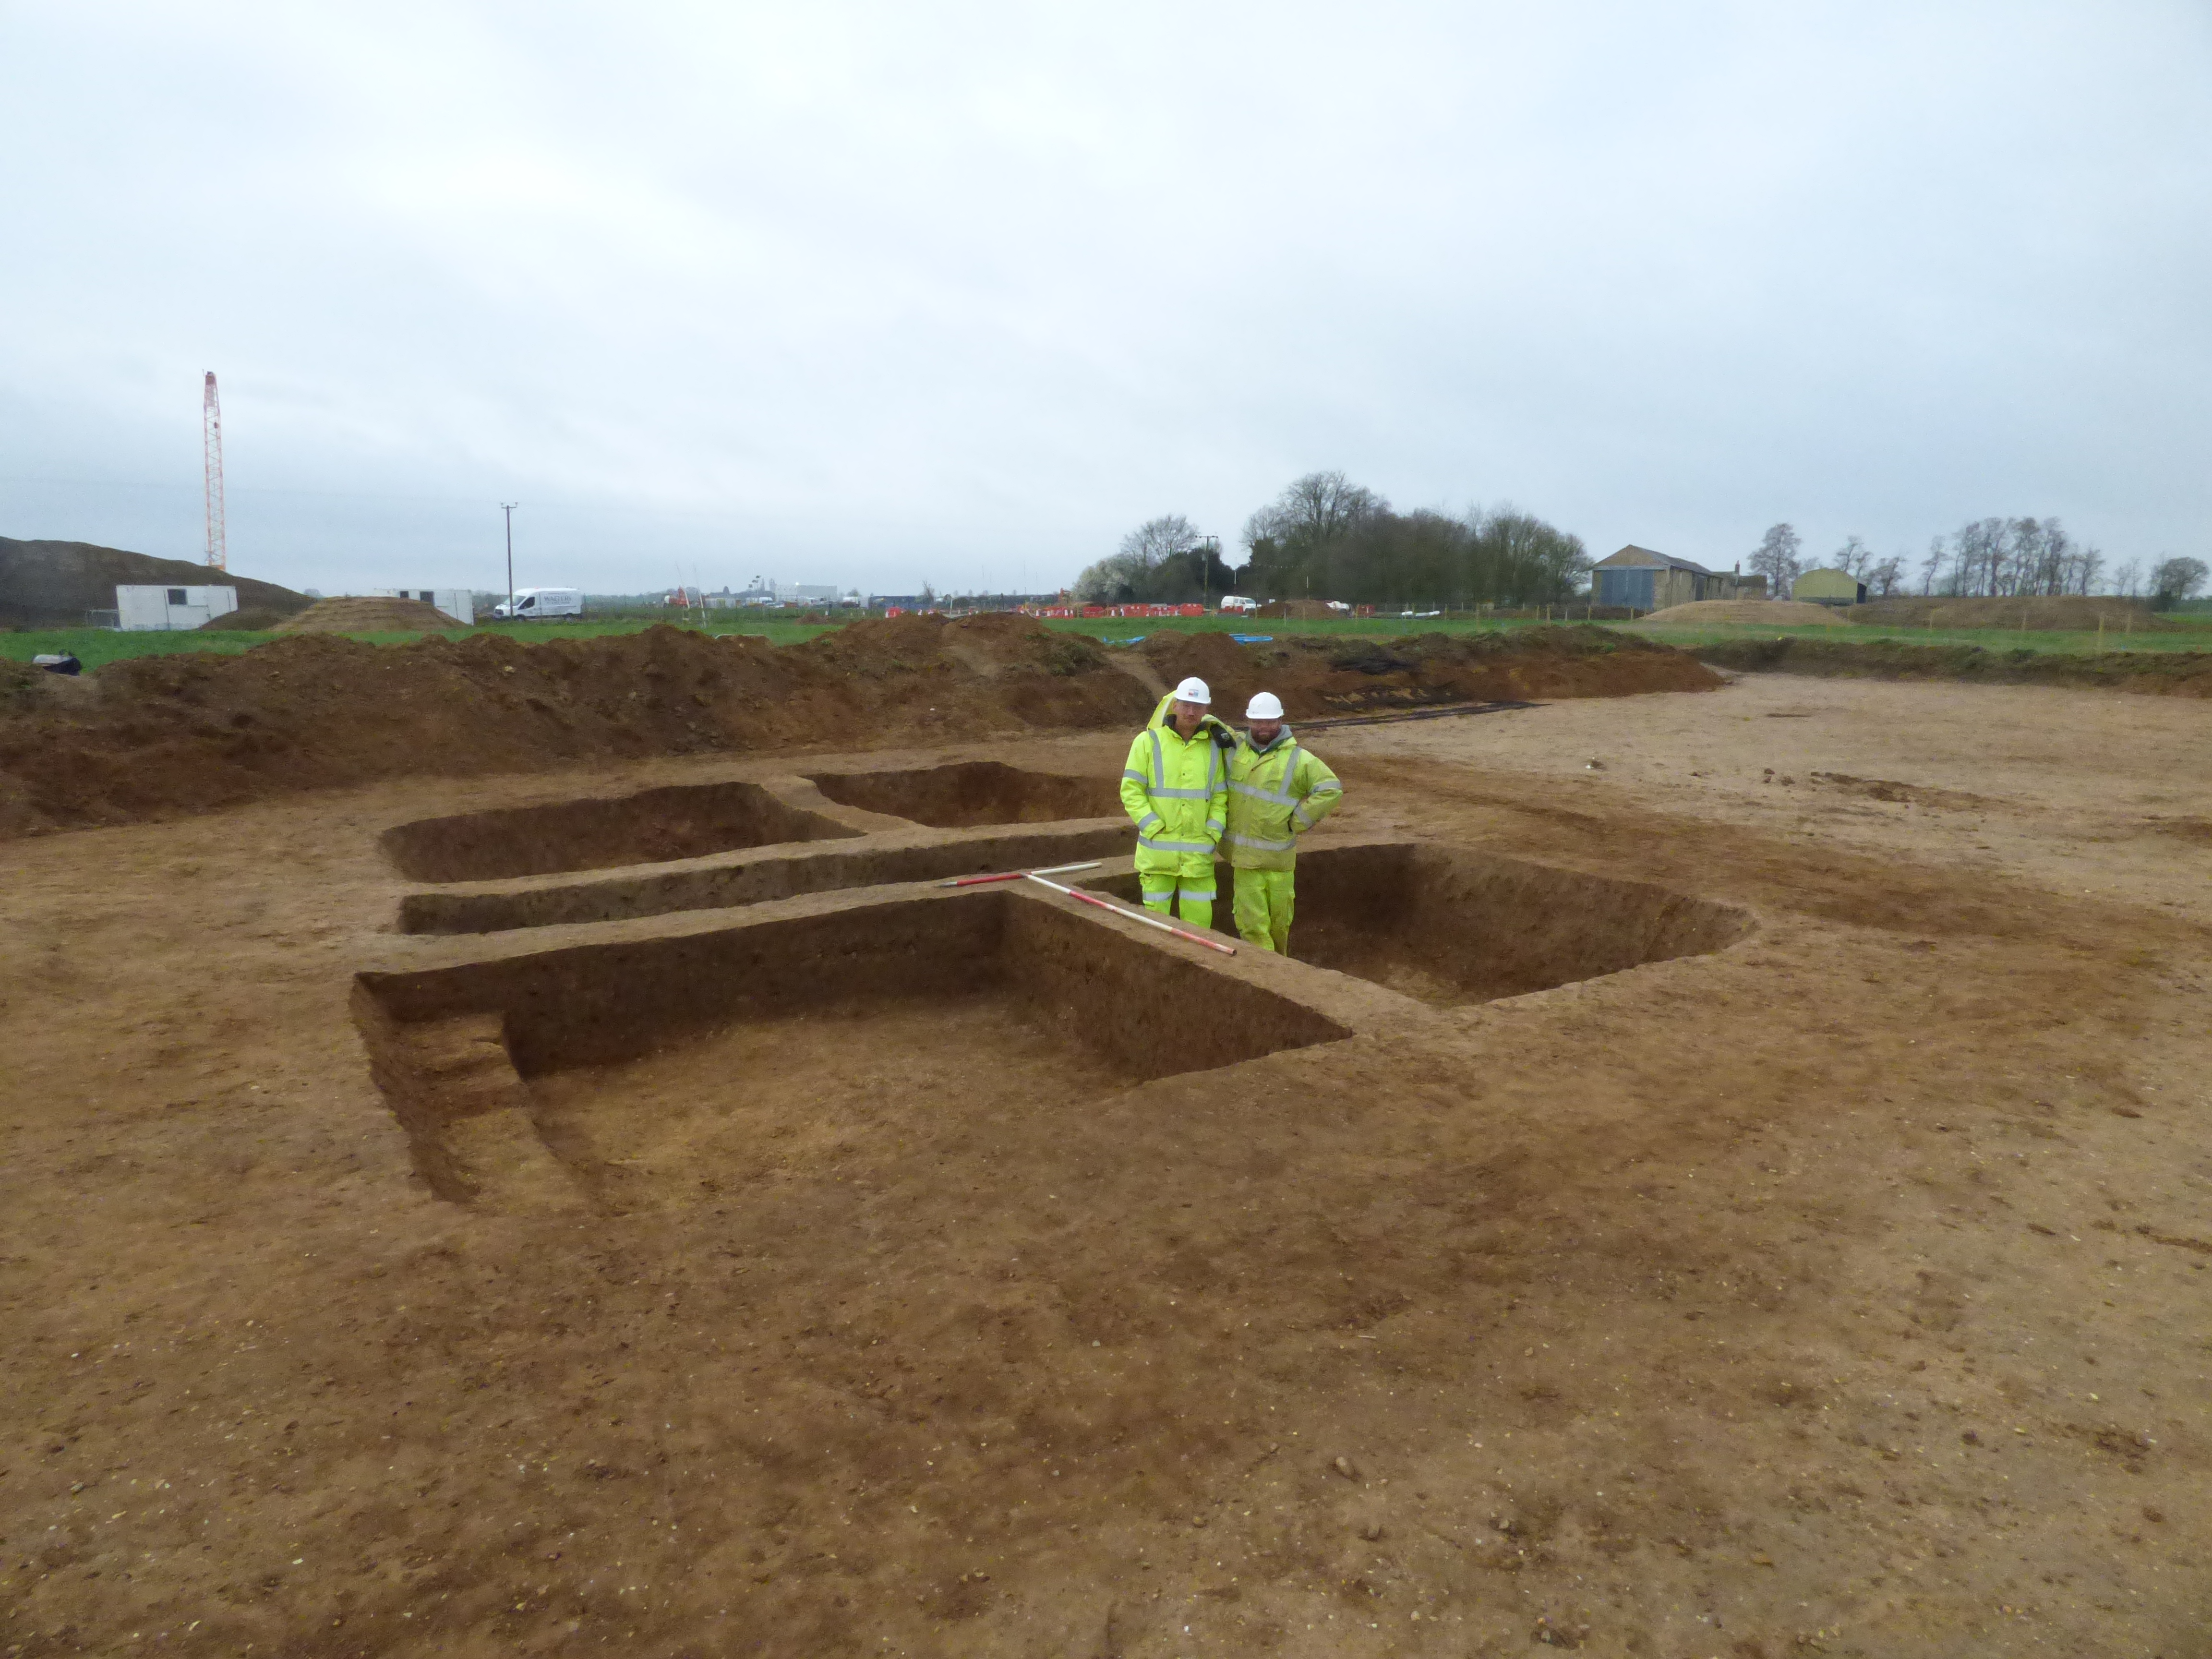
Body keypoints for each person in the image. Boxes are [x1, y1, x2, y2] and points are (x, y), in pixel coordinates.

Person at [1224, 691, 1342, 953]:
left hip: (1279, 861)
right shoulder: (1236, 750)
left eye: (1270, 721)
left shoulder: (1298, 759)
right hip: (1245, 861)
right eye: (1258, 721)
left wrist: (1299, 821)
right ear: (1249, 722)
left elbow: (1331, 788)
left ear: (1281, 721)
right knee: (1252, 926)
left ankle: (1279, 977)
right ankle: (1263, 974)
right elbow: (1201, 716)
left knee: (1279, 925)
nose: (1264, 727)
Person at [1119, 676, 1235, 930]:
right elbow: (1131, 790)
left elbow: (1220, 796)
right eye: (1186, 705)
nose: (1191, 712)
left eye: (1197, 707)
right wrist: (1153, 827)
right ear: (1175, 706)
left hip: (1198, 855)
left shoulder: (1214, 748)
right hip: (1157, 853)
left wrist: (1213, 832)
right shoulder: (1147, 742)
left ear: (1206, 710)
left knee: (1200, 929)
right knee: (1154, 930)